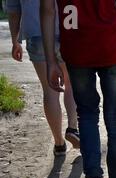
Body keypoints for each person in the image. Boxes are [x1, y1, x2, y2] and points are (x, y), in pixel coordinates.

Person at [41, 0, 116, 178]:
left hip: (77, 52)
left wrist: (51, 60)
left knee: (86, 115)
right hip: (112, 48)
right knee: (115, 119)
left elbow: (47, 10)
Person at [6, 0, 79, 156]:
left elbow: (13, 11)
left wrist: (15, 41)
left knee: (49, 90)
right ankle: (73, 128)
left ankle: (59, 143)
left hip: (36, 32)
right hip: (68, 28)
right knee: (70, 84)